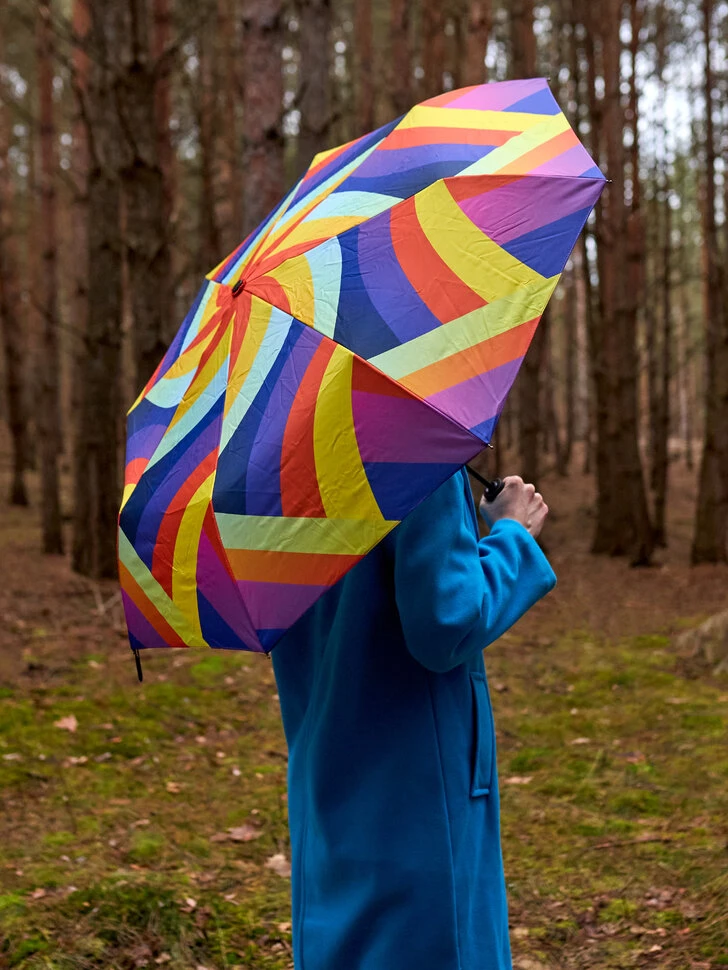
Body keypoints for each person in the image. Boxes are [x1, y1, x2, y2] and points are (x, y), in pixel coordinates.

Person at [271, 468, 556, 970]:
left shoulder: (274, 465)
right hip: (417, 779)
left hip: (325, 755)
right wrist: (512, 533)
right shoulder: (410, 454)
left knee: (343, 941)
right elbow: (447, 622)